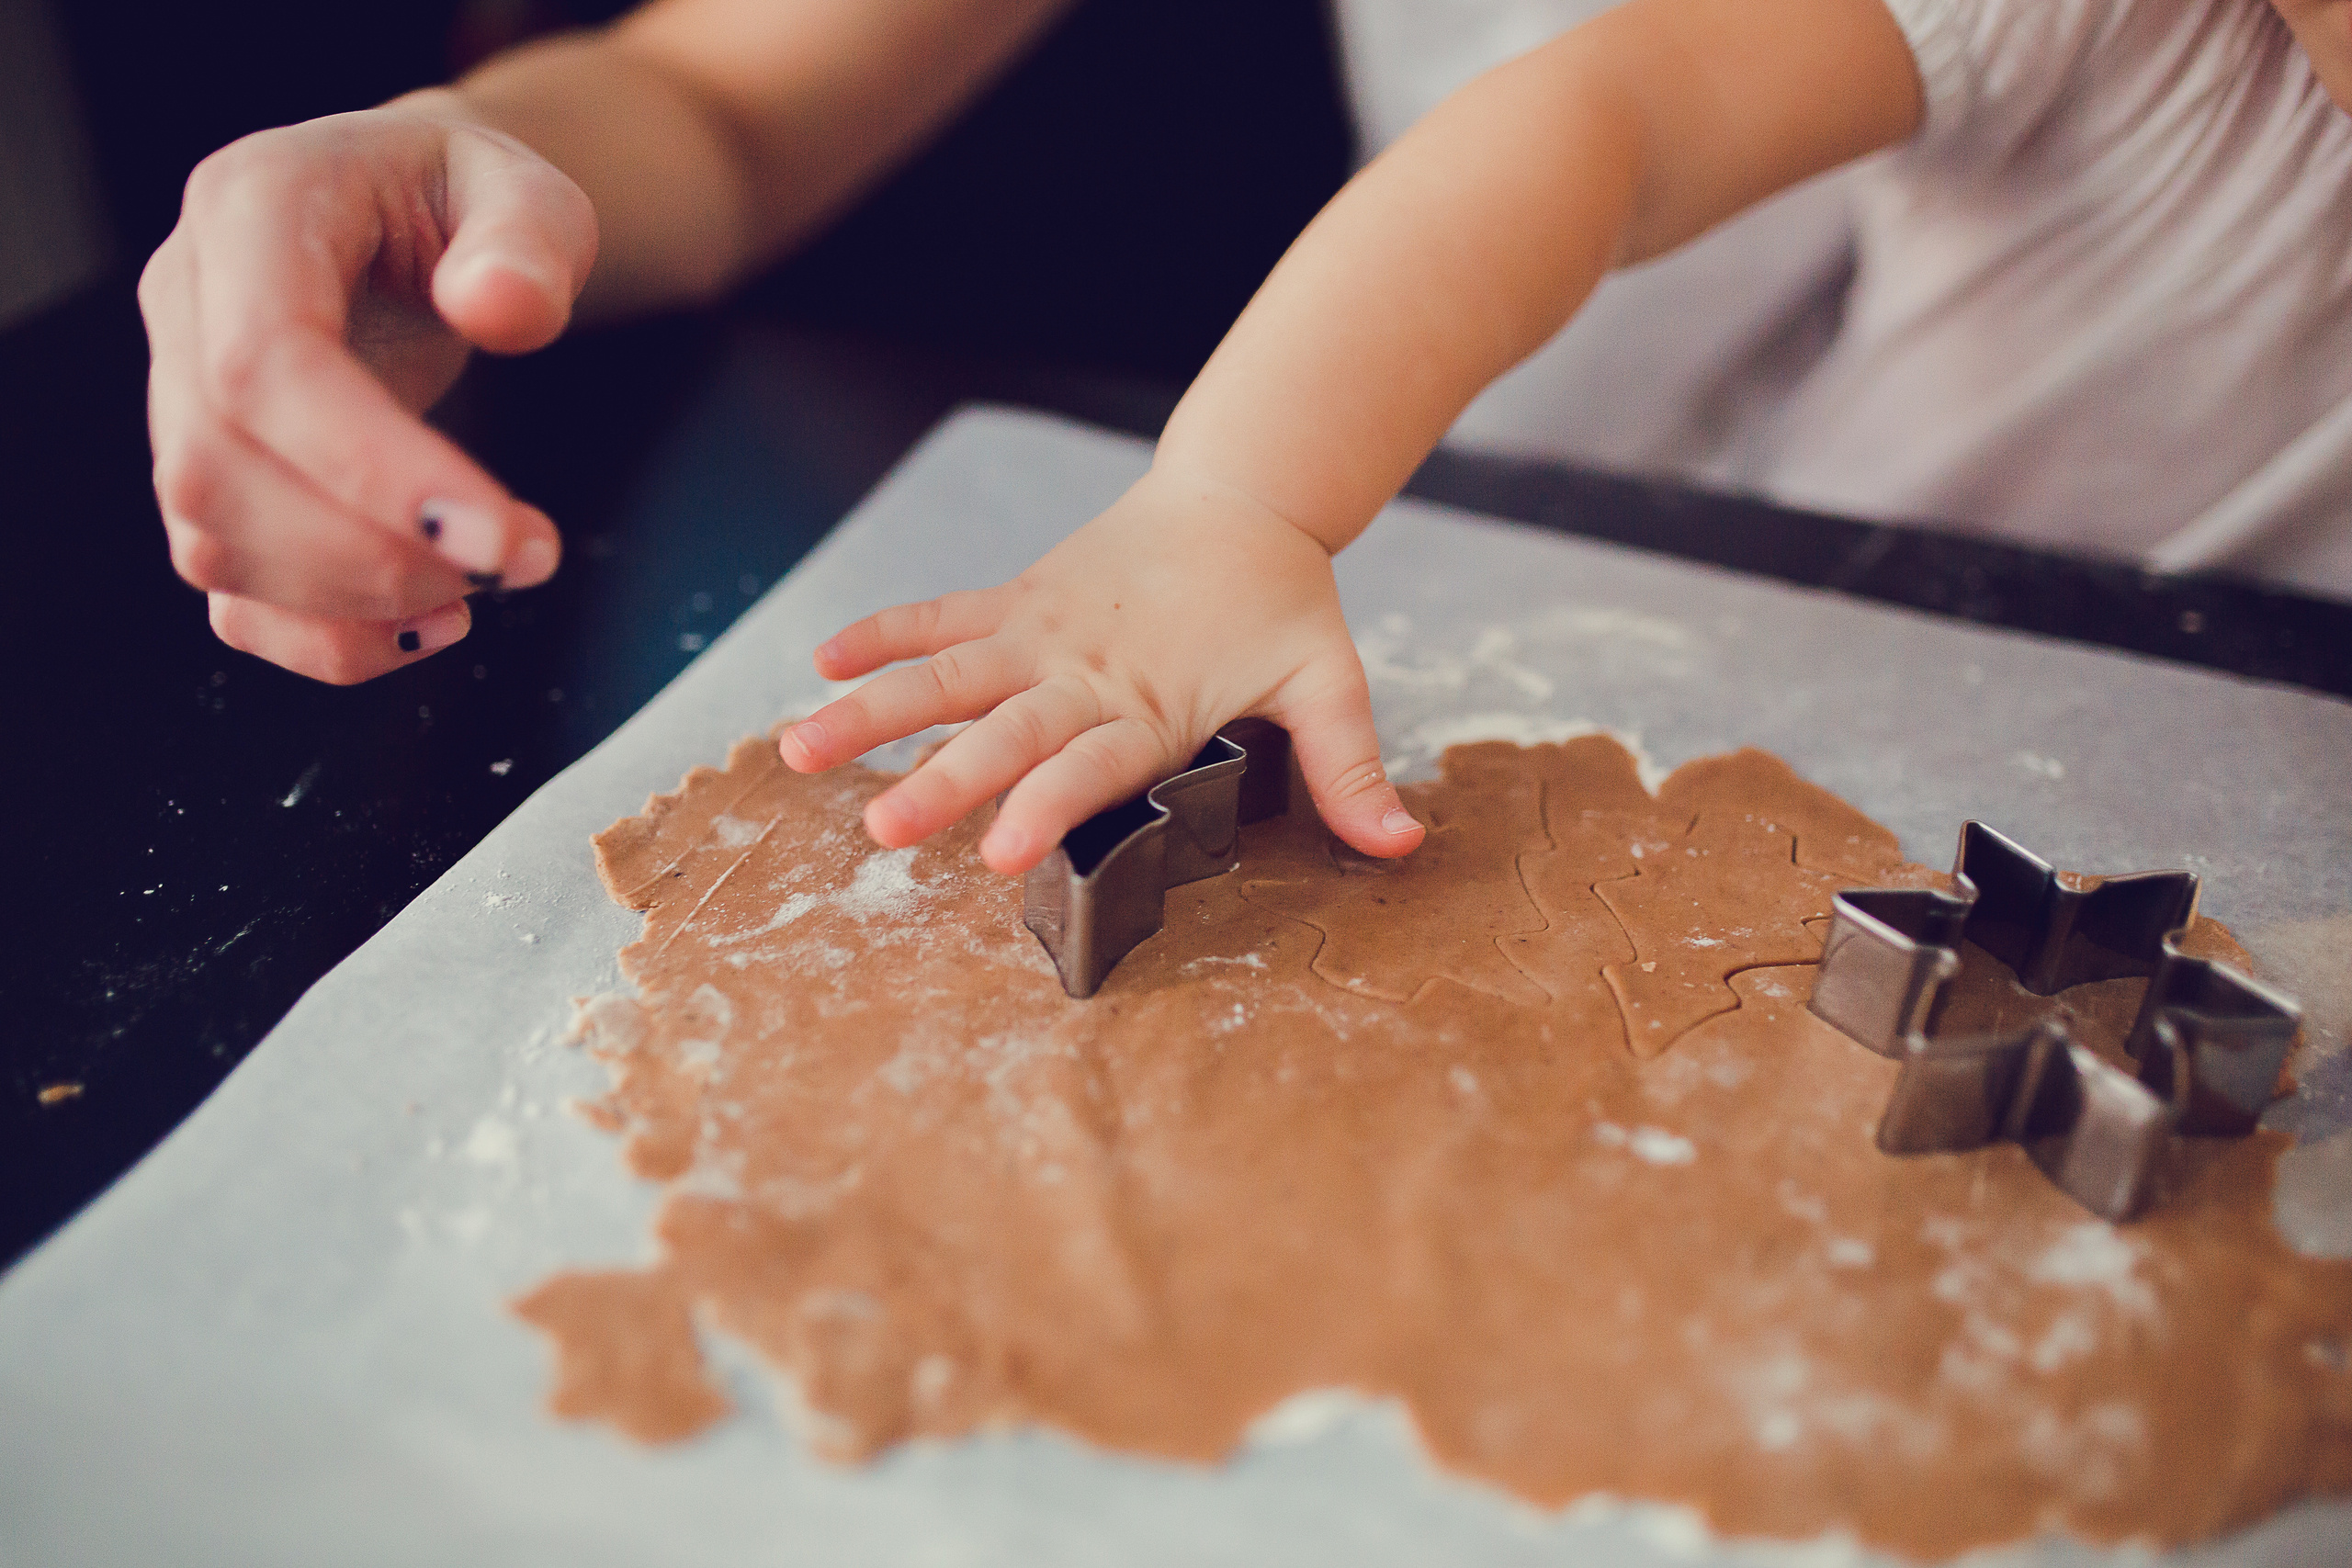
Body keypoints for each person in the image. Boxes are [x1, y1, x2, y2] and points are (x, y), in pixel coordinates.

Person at [144, 0, 2352, 881]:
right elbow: (719, 102)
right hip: (1477, 608)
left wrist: (1240, 498)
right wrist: (438, 171)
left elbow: (1608, 113)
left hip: (2165, 712)